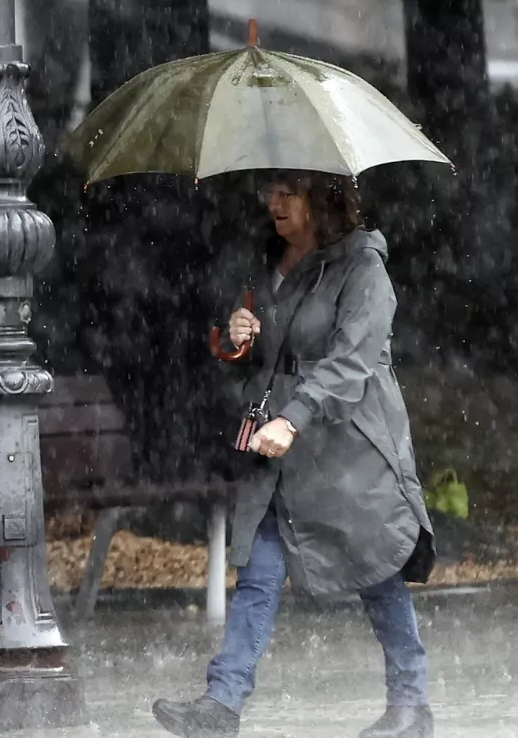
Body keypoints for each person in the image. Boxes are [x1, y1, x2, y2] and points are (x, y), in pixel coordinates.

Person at [151, 170, 437, 738]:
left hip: (349, 447)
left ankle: (411, 706)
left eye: (288, 192)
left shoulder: (363, 270)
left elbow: (351, 364)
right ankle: (221, 704)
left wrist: (294, 416)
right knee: (258, 570)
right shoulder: (268, 263)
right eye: (269, 192)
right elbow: (252, 353)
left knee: (376, 569)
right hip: (278, 447)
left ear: (323, 198)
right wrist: (235, 337)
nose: (274, 204)